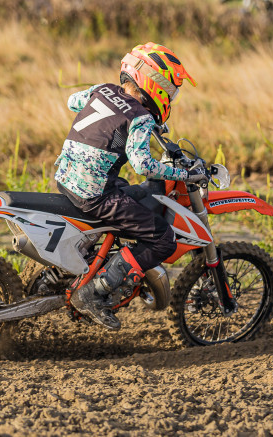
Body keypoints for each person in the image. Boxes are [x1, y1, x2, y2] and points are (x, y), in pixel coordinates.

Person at [54, 42, 207, 330]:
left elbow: (74, 101)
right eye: (170, 90)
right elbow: (143, 165)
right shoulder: (140, 116)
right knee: (163, 239)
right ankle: (93, 294)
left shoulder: (102, 90)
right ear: (154, 84)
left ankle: (97, 257)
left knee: (130, 191)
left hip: (66, 177)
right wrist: (183, 174)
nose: (171, 97)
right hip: (94, 194)